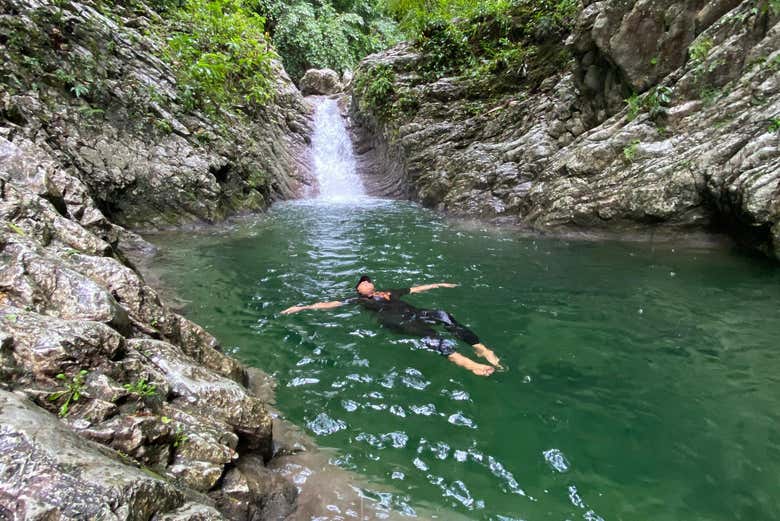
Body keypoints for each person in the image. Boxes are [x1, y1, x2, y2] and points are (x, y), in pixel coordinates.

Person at [281, 275, 501, 376]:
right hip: (396, 321)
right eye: (362, 283)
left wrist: (438, 283)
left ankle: (481, 348)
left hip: (414, 312)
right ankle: (467, 363)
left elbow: (414, 289)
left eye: (368, 281)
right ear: (358, 290)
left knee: (444, 315)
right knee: (431, 335)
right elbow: (332, 304)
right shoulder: (359, 300)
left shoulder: (389, 292)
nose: (366, 283)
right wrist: (303, 308)